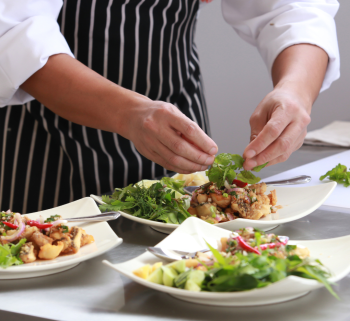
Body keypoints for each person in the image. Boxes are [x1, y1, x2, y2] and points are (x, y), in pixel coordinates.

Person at [0, 0, 340, 213]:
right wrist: (129, 114)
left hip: (178, 109)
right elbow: (15, 31)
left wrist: (295, 91)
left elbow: (293, 7)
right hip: (46, 141)